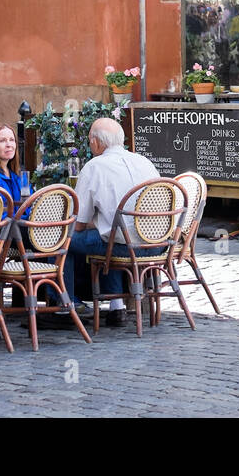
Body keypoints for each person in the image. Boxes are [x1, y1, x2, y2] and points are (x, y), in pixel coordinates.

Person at [63, 117, 161, 326]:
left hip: (125, 248)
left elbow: (78, 224)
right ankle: (116, 307)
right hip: (158, 245)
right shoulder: (145, 161)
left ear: (96, 143)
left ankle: (65, 305)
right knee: (113, 232)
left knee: (64, 241)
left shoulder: (94, 167)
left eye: (90, 140)